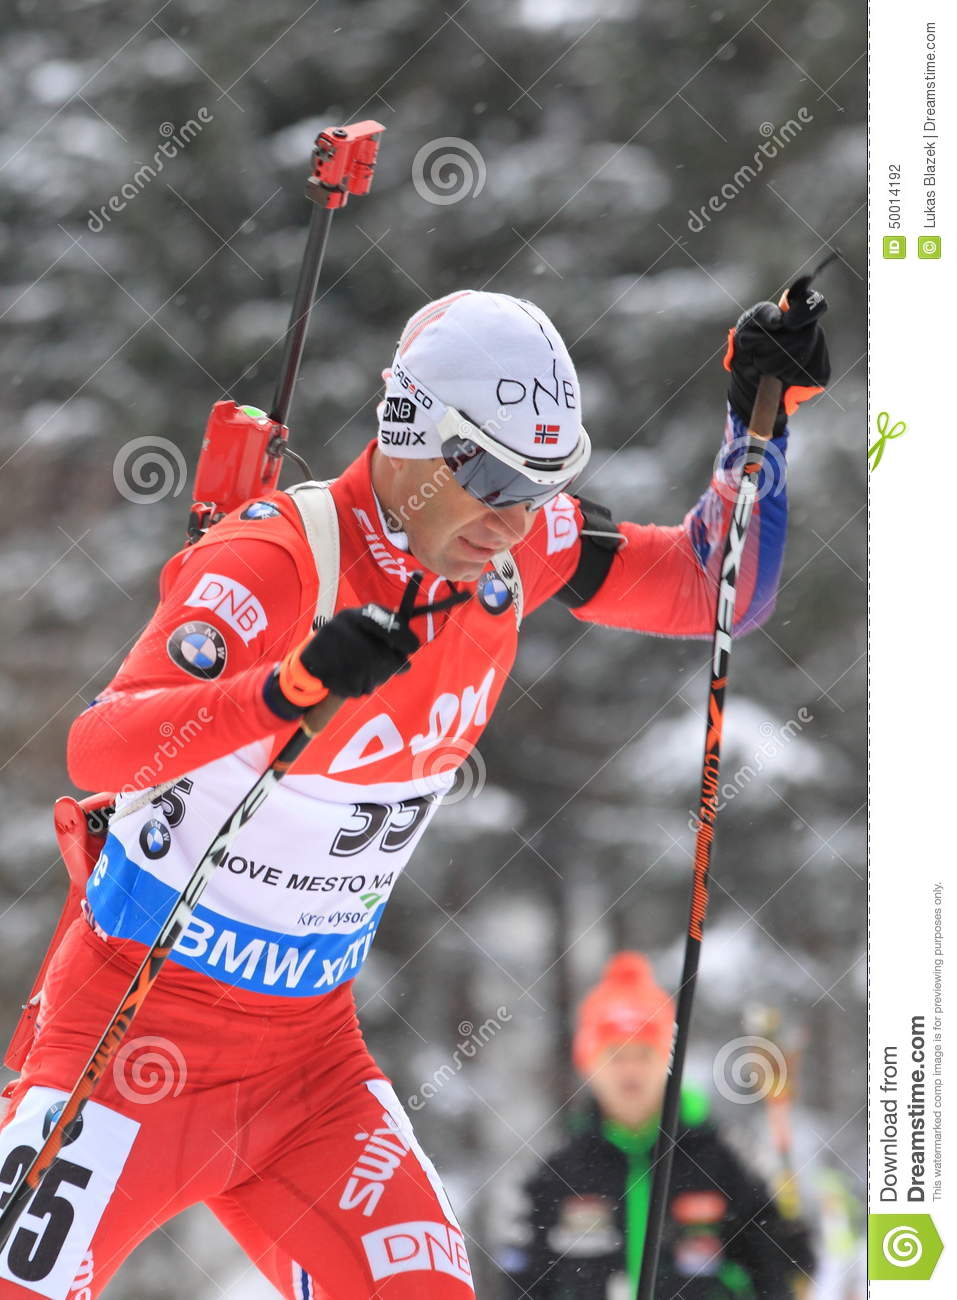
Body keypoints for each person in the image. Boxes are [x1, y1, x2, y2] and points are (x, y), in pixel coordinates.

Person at [0, 287, 829, 1299]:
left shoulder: (517, 545)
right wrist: (284, 688)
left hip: (308, 1064)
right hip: (132, 1033)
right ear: (409, 429)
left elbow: (719, 586)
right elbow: (97, 746)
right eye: (483, 474)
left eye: (540, 483)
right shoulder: (276, 560)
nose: (510, 516)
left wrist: (757, 420)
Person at [498, 953, 817, 1299]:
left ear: (669, 1061)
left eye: (644, 1054)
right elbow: (520, 1285)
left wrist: (791, 1248)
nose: (630, 1071)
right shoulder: (559, 1174)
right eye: (615, 1055)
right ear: (589, 1062)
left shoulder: (721, 1159)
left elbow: (776, 1273)